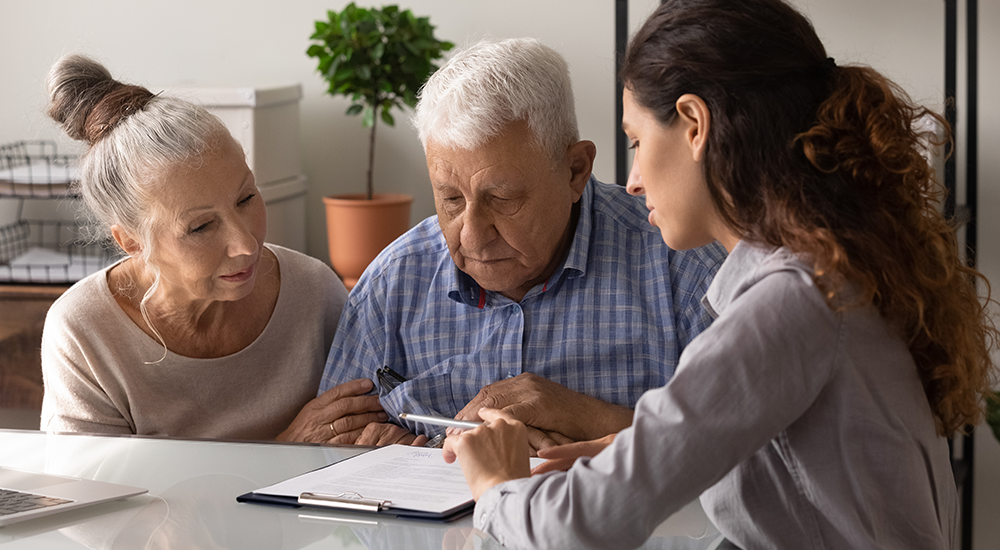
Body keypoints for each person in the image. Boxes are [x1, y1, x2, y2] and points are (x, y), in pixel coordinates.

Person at [441, 1, 999, 548]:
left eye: (636, 142)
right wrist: (632, 449)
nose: (632, 180)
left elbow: (572, 530)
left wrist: (495, 483)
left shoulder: (791, 301)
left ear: (693, 124)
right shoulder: (829, 274)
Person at [317, 38, 726, 447]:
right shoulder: (393, 283)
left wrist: (588, 418)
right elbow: (323, 456)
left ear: (575, 170)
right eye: (451, 200)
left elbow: (746, 454)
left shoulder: (685, 268)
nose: (473, 234)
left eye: (502, 199)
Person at [39, 54, 382, 442]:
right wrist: (286, 448)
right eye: (200, 226)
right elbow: (99, 492)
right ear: (131, 241)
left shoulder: (314, 292)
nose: (246, 243)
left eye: (247, 198)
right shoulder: (84, 331)